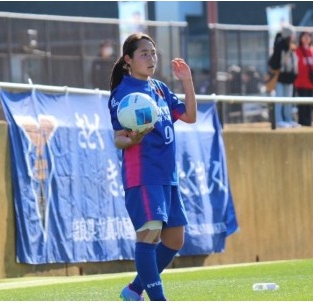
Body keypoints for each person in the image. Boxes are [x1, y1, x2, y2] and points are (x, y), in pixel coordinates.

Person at [106, 32, 201, 301]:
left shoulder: (159, 88)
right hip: (144, 174)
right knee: (149, 236)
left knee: (174, 240)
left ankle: (134, 290)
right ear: (128, 60)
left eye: (153, 52)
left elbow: (190, 116)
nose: (151, 58)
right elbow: (119, 139)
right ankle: (159, 301)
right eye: (144, 54)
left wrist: (187, 81)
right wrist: (132, 137)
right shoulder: (122, 93)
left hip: (166, 175)